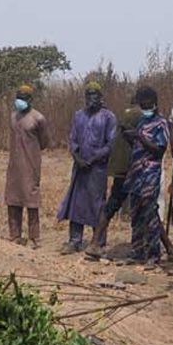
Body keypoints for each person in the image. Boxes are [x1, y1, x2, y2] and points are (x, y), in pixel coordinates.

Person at [57, 82, 117, 254]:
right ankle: (74, 240)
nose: (92, 98)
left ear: (101, 97)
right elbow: (73, 139)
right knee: (76, 203)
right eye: (89, 95)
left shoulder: (108, 117)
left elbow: (111, 144)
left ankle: (98, 242)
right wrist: (77, 157)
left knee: (97, 204)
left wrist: (93, 158)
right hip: (80, 167)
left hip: (97, 168)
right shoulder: (78, 115)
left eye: (95, 95)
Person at [121, 88, 170, 269]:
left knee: (150, 213)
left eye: (147, 103)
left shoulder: (161, 123)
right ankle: (137, 251)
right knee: (136, 213)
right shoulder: (142, 121)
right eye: (142, 104)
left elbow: (159, 149)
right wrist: (130, 137)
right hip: (136, 174)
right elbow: (137, 144)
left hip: (150, 173)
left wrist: (140, 137)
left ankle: (153, 255)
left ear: (154, 102)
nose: (144, 107)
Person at [87, 98, 139, 260]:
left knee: (111, 205)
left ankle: (94, 243)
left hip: (120, 169)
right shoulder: (140, 117)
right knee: (148, 207)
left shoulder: (125, 115)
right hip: (133, 169)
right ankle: (167, 247)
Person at [4, 84, 50, 248]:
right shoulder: (13, 116)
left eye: (24, 98)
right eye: (19, 97)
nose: (20, 101)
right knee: (13, 198)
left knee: (31, 200)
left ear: (30, 100)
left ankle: (34, 237)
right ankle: (14, 234)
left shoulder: (38, 118)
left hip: (31, 163)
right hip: (14, 163)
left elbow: (44, 142)